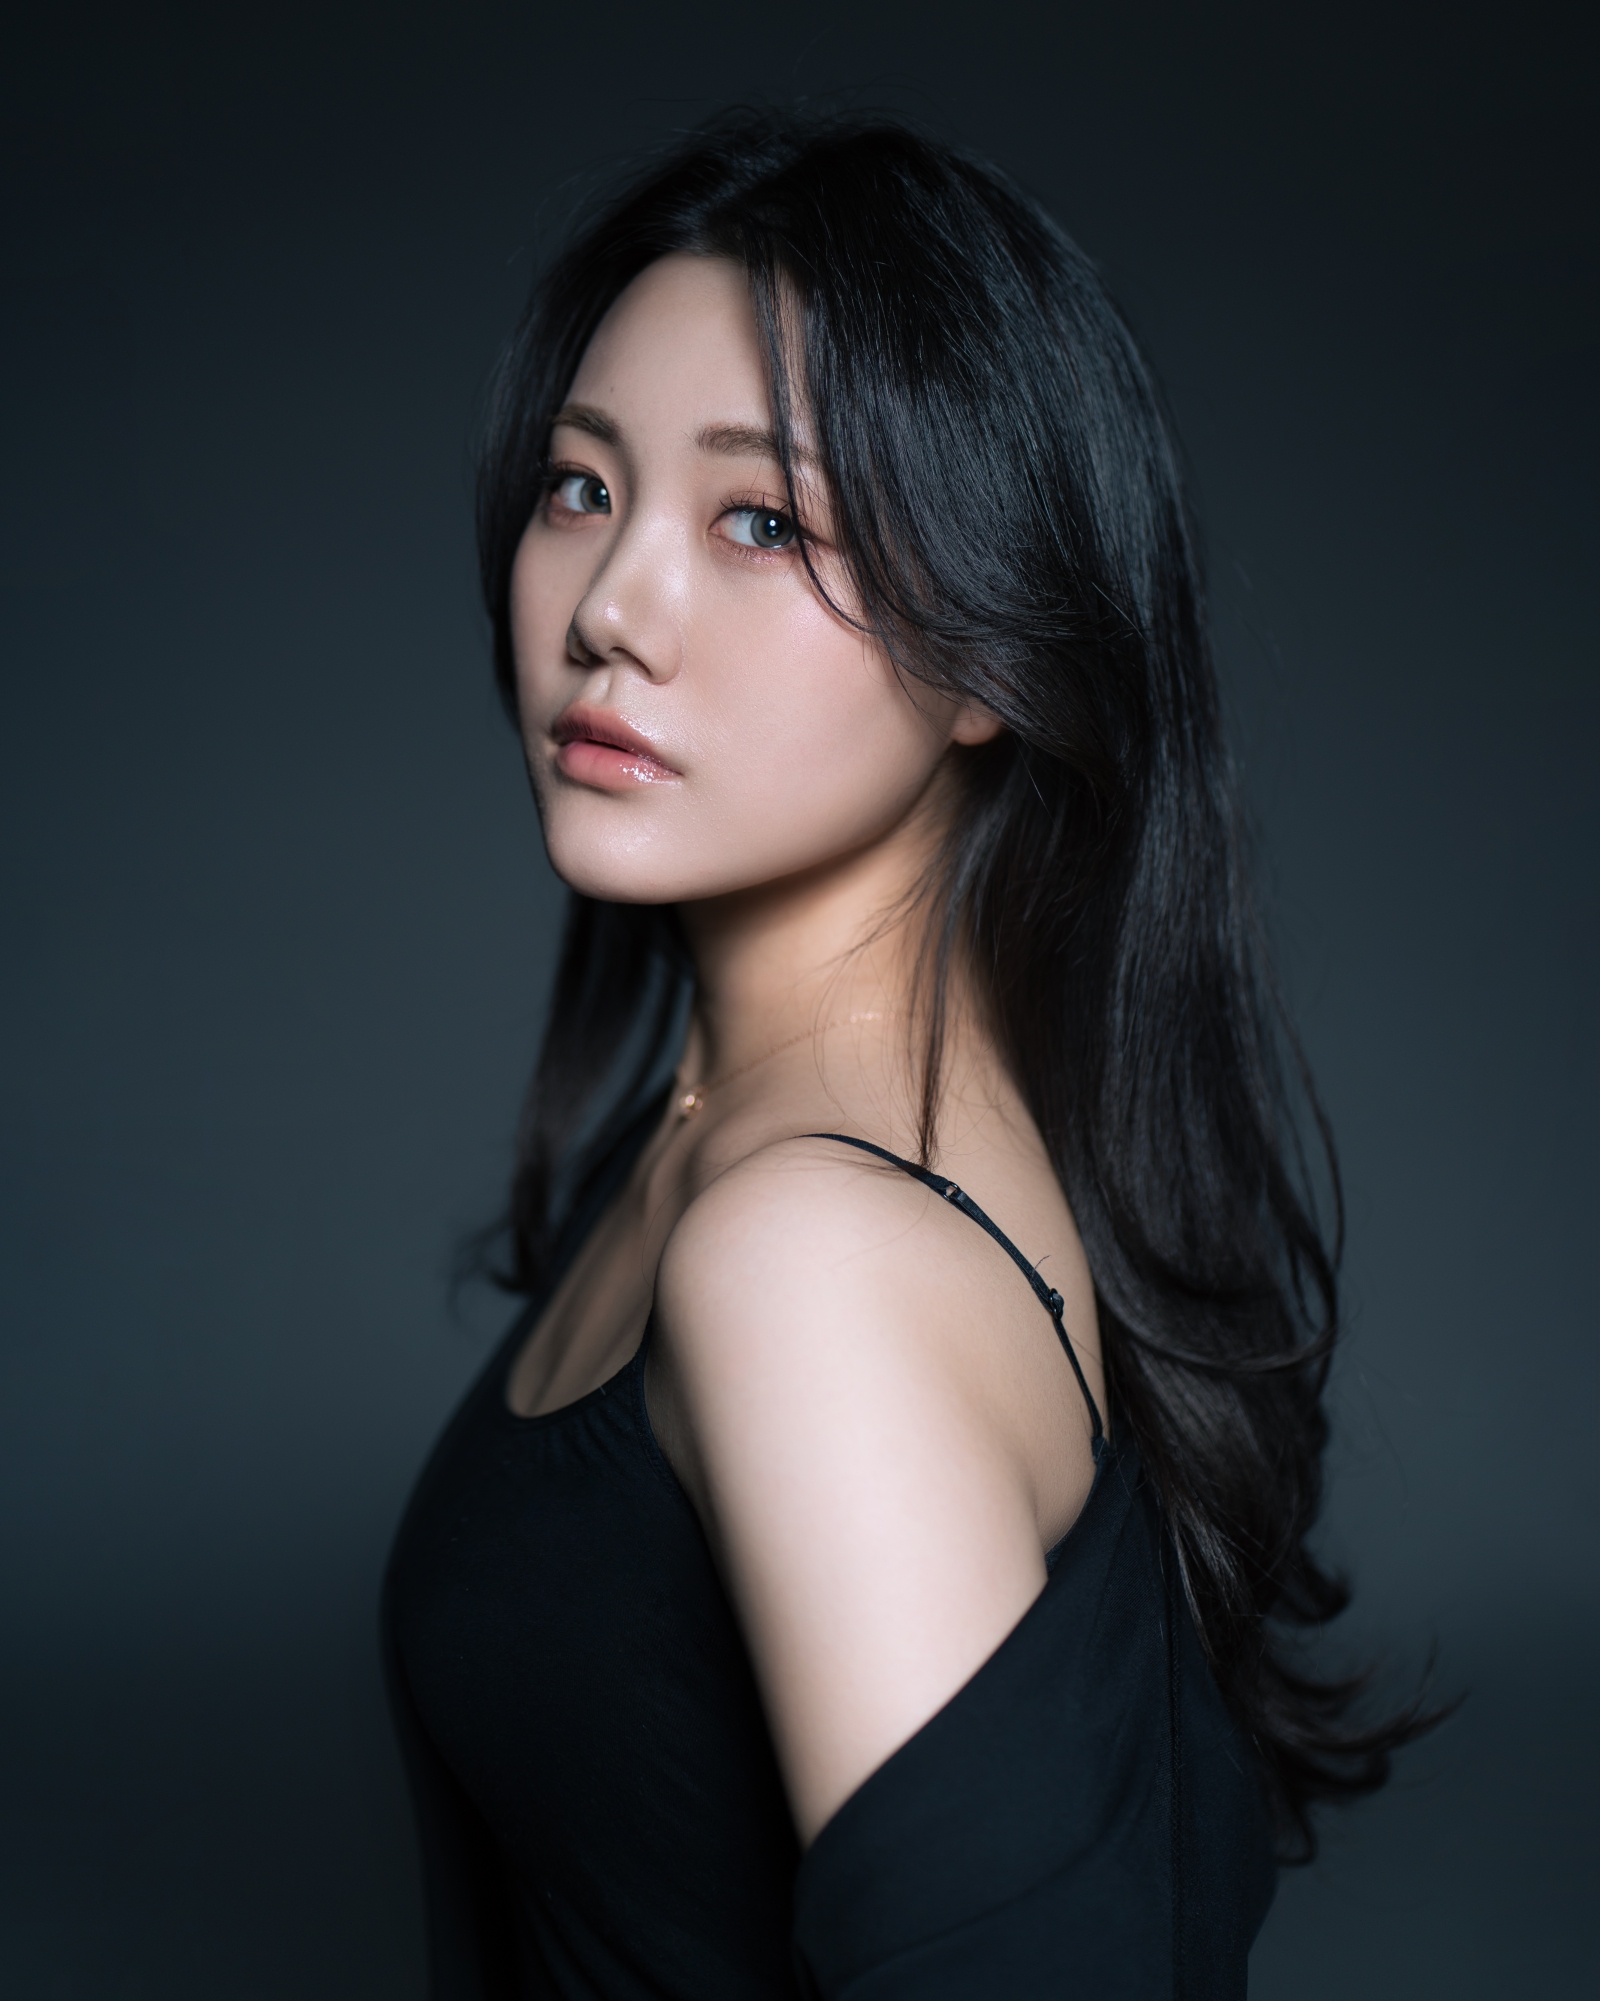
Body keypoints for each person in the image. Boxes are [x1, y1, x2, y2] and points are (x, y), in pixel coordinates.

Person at [384, 111, 1423, 2000]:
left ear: (989, 654)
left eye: (763, 521)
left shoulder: (812, 1260)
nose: (609, 609)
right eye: (581, 486)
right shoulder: (737, 1130)